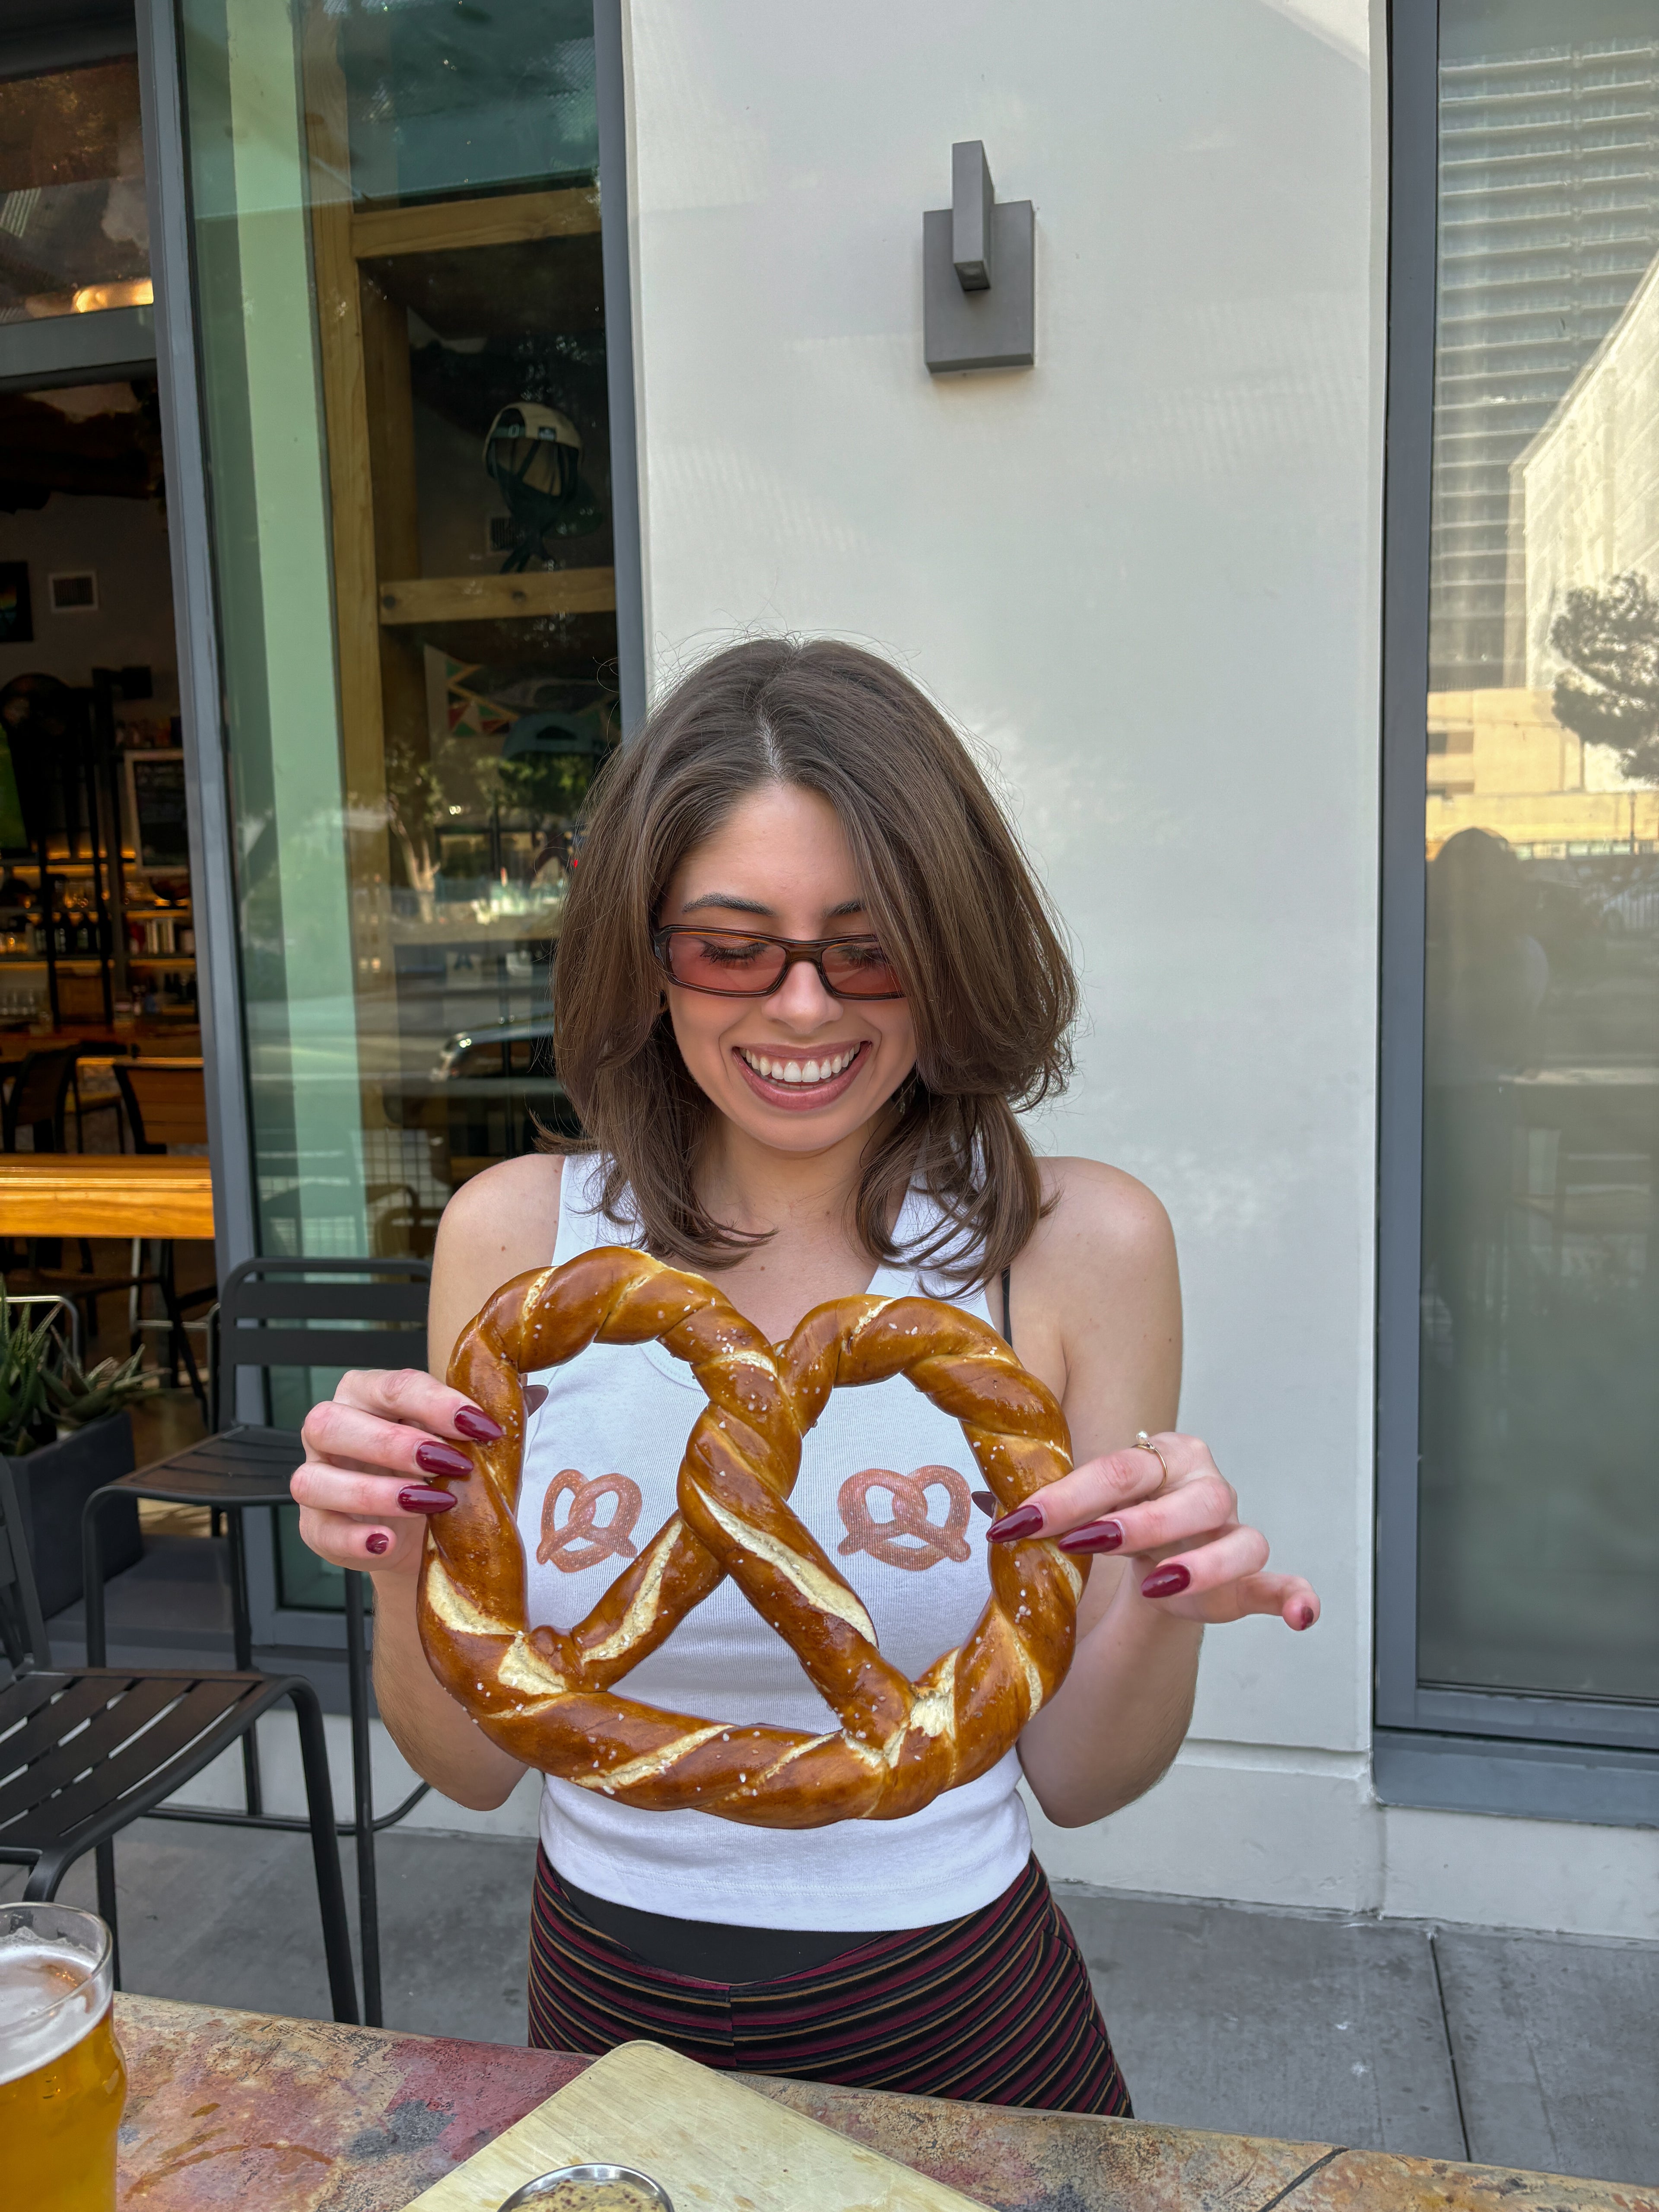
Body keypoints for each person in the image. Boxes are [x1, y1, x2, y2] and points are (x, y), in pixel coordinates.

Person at [293, 638, 1319, 2114]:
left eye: (869, 945)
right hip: (601, 2001)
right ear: (647, 959)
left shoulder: (1076, 1245)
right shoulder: (515, 1237)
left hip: (958, 2011)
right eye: (730, 945)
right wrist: (393, 1556)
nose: (800, 1007)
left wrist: (1176, 1605)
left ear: (949, 947)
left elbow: (1085, 1779)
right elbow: (470, 1763)